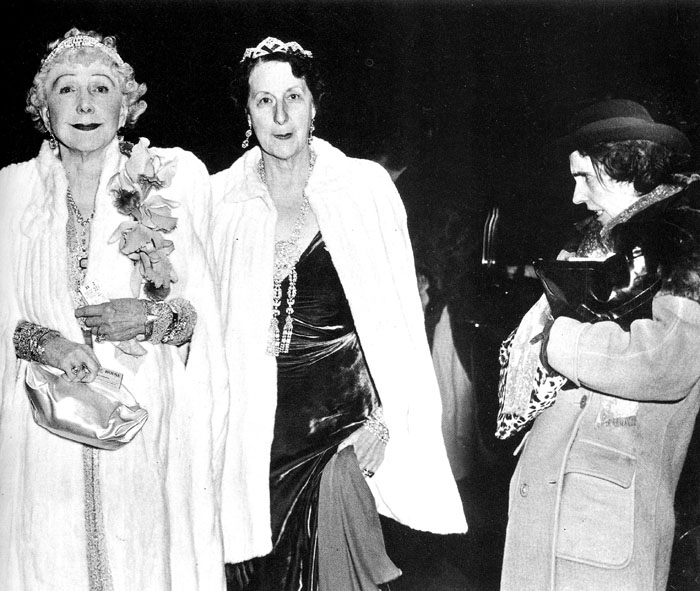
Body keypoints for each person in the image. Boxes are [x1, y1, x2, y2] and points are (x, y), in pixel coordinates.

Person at [210, 36, 467, 590]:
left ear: (314, 105)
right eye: (264, 100)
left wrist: (384, 423)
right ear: (247, 113)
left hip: (338, 441)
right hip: (248, 450)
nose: (281, 116)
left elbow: (400, 324)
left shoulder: (362, 189)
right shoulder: (218, 202)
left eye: (294, 97)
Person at [0, 28, 229, 590]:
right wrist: (44, 343)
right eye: (66, 89)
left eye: (100, 88)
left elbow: (203, 318)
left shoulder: (169, 184)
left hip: (141, 428)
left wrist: (148, 318)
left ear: (124, 107)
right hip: (43, 433)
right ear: (43, 109)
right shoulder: (12, 192)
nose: (84, 105)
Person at [497, 98, 700, 590]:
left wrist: (557, 341)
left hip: (604, 520)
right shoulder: (598, 243)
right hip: (558, 504)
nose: (575, 196)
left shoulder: (682, 241)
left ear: (624, 164)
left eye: (584, 177)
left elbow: (667, 359)